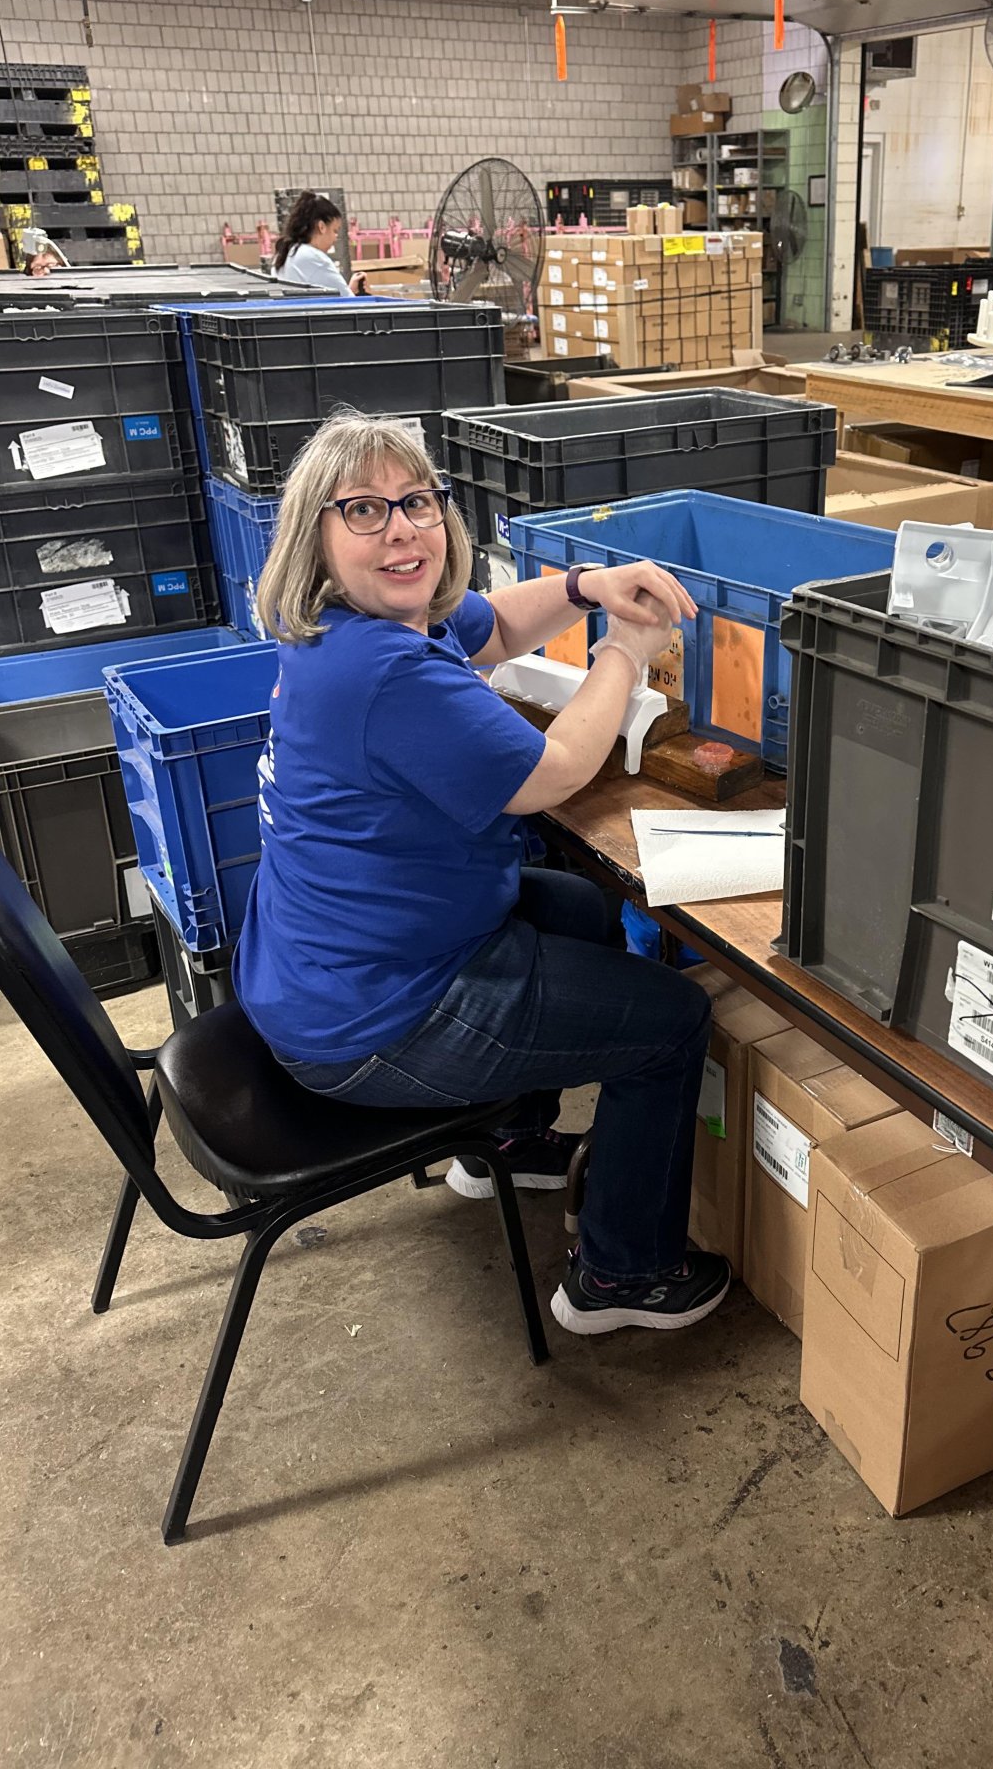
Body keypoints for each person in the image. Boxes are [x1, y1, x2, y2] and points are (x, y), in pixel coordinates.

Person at [233, 410, 731, 1336]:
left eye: (417, 501)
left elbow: (494, 624)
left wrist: (586, 585)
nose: (401, 529)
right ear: (316, 537)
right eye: (364, 509)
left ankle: (508, 1136)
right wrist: (624, 651)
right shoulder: (382, 670)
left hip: (324, 964)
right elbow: (554, 773)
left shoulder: (359, 618)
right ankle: (623, 1273)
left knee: (579, 909)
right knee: (672, 1023)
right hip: (373, 1017)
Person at [270, 191, 369, 295]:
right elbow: (348, 301)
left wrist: (349, 290)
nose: (335, 238)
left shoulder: (285, 253)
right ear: (321, 227)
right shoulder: (313, 258)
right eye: (335, 231)